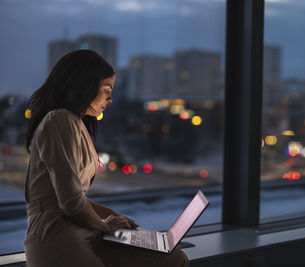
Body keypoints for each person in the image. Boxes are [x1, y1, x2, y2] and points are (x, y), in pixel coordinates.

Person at [24, 49, 189, 267]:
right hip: (55, 234)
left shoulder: (75, 123)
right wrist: (105, 225)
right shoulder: (59, 120)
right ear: (84, 86)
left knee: (175, 258)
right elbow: (71, 203)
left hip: (78, 229)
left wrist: (113, 216)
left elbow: (72, 199)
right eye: (106, 90)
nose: (110, 99)